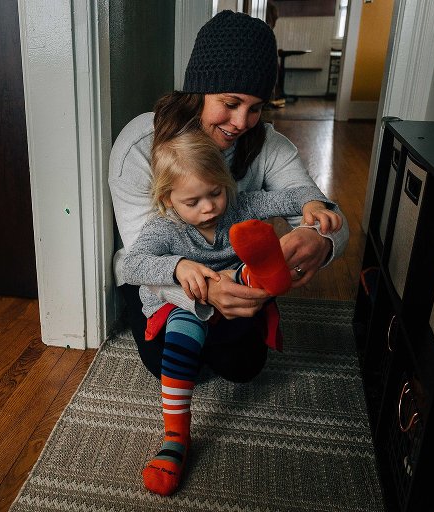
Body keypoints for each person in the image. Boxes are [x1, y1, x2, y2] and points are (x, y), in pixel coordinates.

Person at [108, 8, 350, 491]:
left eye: (256, 107)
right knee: (172, 362)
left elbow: (319, 206)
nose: (242, 122)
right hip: (171, 286)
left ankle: (255, 279)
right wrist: (199, 291)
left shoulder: (269, 146)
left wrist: (319, 239)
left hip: (239, 275)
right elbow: (138, 259)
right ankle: (177, 431)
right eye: (231, 102)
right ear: (198, 90)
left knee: (243, 367)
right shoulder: (139, 146)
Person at [122, 129, 342, 496]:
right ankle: (176, 437)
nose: (209, 207)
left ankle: (257, 272)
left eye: (215, 192)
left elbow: (293, 194)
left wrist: (314, 206)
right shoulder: (163, 228)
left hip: (237, 300)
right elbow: (132, 267)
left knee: (246, 317)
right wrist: (177, 267)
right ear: (168, 200)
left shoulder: (238, 207)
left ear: (226, 184)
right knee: (182, 327)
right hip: (185, 307)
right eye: (193, 201)